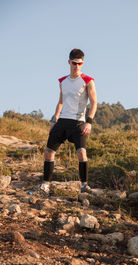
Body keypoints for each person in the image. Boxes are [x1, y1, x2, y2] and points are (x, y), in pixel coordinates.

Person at [40, 48, 97, 195]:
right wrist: (54, 121)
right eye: (74, 63)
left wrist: (89, 122)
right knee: (48, 152)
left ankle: (84, 185)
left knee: (81, 153)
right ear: (69, 62)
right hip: (63, 121)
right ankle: (46, 185)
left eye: (79, 63)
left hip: (78, 122)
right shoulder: (62, 82)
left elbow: (94, 102)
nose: (76, 66)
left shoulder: (88, 81)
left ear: (82, 63)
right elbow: (60, 102)